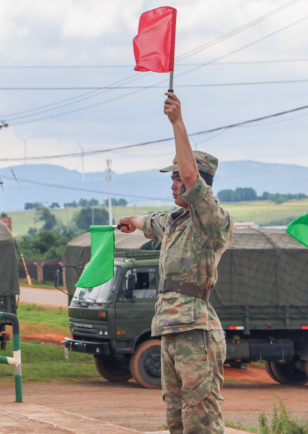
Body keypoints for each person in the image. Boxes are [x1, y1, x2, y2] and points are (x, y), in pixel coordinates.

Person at [119, 93, 233, 433]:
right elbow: (149, 222)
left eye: (176, 178)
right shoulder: (174, 221)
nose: (173, 184)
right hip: (169, 330)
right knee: (176, 420)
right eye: (169, 179)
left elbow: (191, 176)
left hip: (196, 331)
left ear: (199, 182)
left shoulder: (211, 218)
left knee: (201, 420)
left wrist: (177, 122)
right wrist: (131, 219)